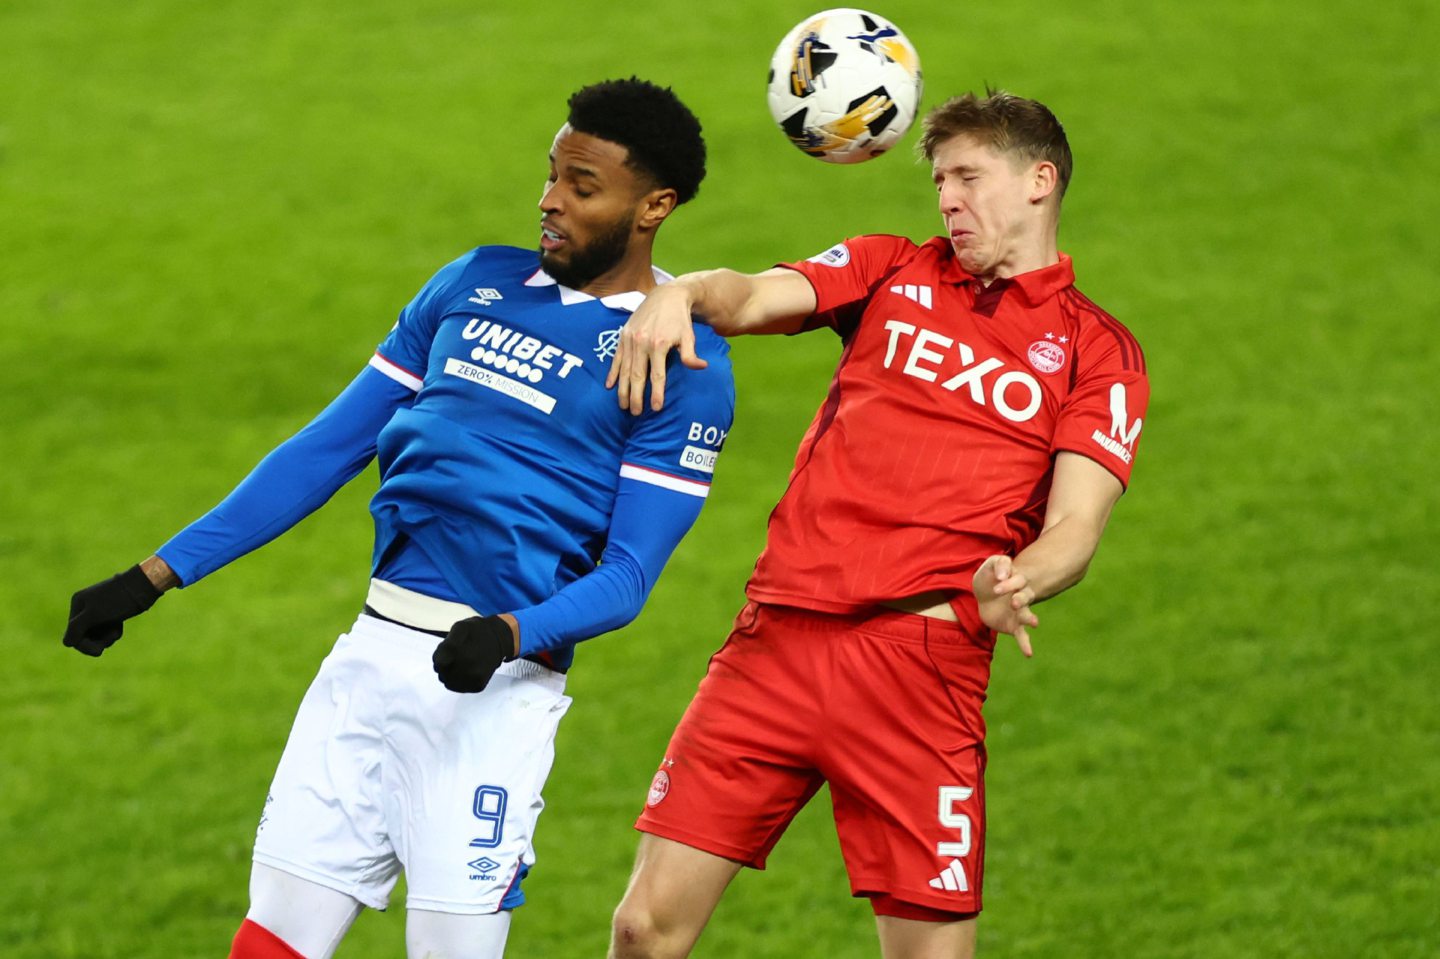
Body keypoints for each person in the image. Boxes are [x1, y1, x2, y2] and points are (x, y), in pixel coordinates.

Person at [60, 78, 733, 959]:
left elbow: (629, 576)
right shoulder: (473, 281)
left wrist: (508, 632)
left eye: (581, 186)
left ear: (654, 206)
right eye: (551, 175)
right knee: (270, 940)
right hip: (367, 663)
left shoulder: (681, 362)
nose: (550, 200)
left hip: (491, 697)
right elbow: (326, 449)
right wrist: (154, 575)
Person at [603, 90, 1149, 959]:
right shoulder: (890, 268)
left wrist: (1022, 577)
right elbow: (750, 297)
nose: (948, 200)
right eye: (939, 181)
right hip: (775, 643)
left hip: (919, 675)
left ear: (1040, 180)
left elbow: (1077, 525)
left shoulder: (1097, 351)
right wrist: (685, 295)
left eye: (969, 177)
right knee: (642, 927)